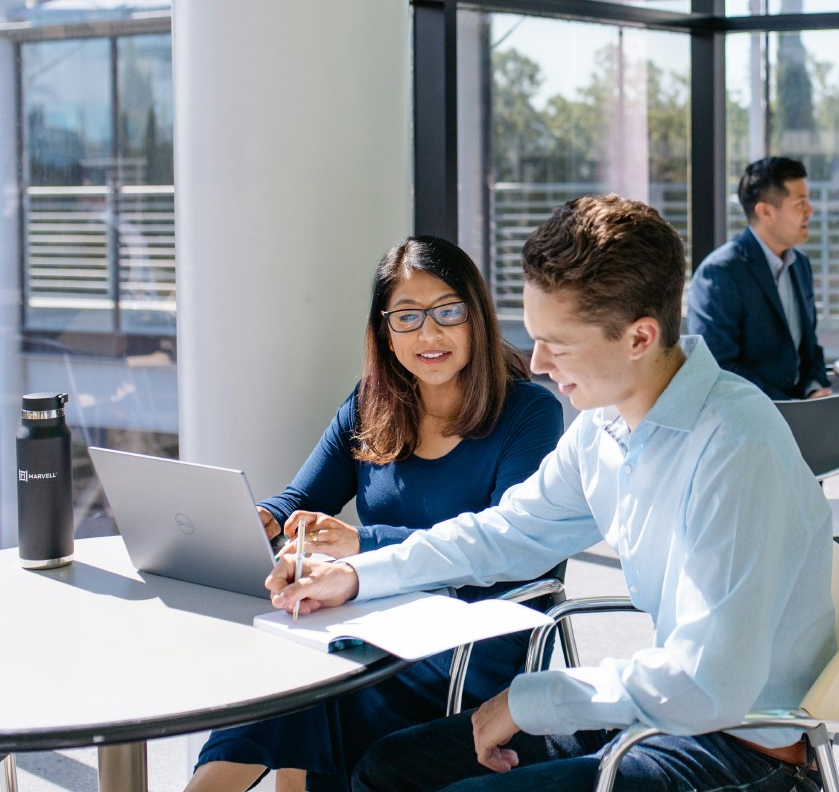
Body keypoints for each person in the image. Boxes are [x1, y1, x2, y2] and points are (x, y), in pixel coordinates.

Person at [267, 195, 836, 792]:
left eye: (557, 344)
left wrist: (529, 700)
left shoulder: (735, 447)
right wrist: (357, 574)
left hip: (740, 750)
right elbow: (506, 532)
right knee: (391, 769)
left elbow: (704, 687)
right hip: (659, 717)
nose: (536, 364)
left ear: (639, 337)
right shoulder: (606, 426)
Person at [187, 236, 564, 792]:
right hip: (377, 619)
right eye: (407, 317)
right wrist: (267, 517)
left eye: (447, 312)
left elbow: (505, 548)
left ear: (476, 318)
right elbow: (300, 500)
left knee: (308, 690)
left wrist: (365, 543)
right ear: (385, 332)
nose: (428, 334)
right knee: (284, 675)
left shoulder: (529, 413)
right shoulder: (372, 404)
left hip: (476, 640)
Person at [687, 156, 839, 611]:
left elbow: (809, 346)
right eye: (800, 202)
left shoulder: (797, 265)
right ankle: (826, 581)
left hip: (803, 408)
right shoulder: (721, 272)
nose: (810, 211)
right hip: (758, 418)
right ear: (765, 211)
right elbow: (720, 367)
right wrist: (797, 402)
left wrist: (817, 384)